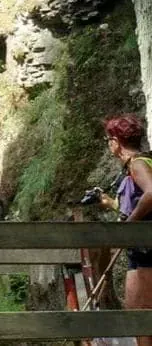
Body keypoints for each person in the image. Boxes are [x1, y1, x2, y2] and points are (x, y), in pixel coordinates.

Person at [103, 114, 152, 346]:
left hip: (147, 251)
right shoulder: (141, 163)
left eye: (108, 140)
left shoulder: (138, 164)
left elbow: (151, 193)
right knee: (137, 314)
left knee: (141, 317)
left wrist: (129, 225)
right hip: (139, 251)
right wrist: (112, 204)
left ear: (116, 141)